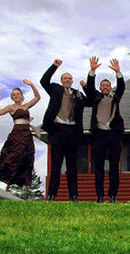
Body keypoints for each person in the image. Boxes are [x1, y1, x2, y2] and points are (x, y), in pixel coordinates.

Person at [41, 58, 87, 202]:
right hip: (58, 129)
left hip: (73, 130)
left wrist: (85, 87)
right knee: (56, 163)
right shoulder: (55, 89)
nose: (67, 80)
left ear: (72, 81)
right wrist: (54, 66)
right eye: (65, 78)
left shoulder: (77, 93)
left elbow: (90, 101)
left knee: (72, 165)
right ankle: (52, 195)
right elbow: (44, 81)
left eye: (69, 78)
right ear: (61, 81)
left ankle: (73, 195)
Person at [83, 56, 125, 203]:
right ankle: (99, 195)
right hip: (99, 135)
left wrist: (118, 72)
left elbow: (121, 87)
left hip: (113, 134)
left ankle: (113, 195)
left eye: (108, 85)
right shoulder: (95, 96)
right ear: (100, 88)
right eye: (103, 86)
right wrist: (92, 70)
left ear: (110, 87)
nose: (106, 88)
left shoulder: (116, 97)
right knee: (99, 167)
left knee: (114, 167)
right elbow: (89, 88)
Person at [0, 79, 41, 191]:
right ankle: (7, 180)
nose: (16, 96)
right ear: (12, 97)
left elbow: (37, 97)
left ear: (22, 96)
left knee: (27, 157)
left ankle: (21, 181)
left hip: (27, 134)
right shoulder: (11, 107)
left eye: (18, 94)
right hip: (17, 134)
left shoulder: (26, 106)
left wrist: (31, 84)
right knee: (14, 157)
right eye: (14, 95)